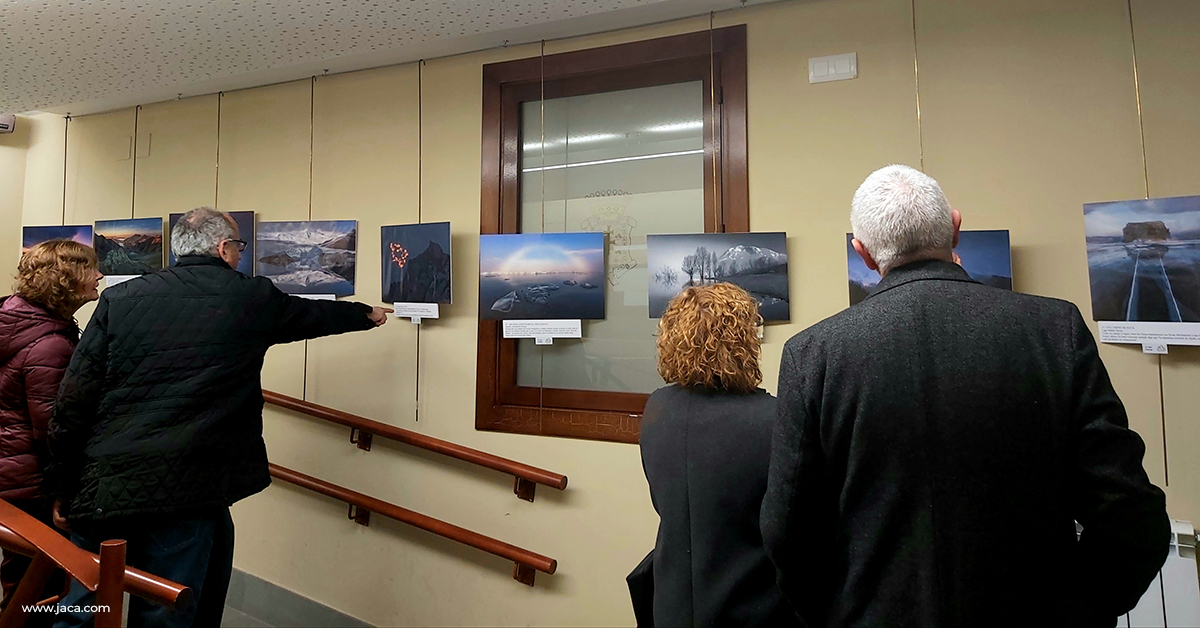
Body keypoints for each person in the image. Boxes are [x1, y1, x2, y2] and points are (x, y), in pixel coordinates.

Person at [760, 164, 1170, 627]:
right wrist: (1078, 607)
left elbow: (787, 534)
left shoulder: (812, 355)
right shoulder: (1055, 330)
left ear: (865, 254)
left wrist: (837, 615)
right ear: (954, 228)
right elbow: (1132, 515)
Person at [47, 207, 392, 628]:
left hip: (105, 482)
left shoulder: (120, 300)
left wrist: (62, 485)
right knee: (165, 608)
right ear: (224, 248)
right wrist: (365, 315)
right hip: (187, 487)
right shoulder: (248, 298)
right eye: (239, 246)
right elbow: (313, 315)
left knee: (83, 605)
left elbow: (74, 401)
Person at [637, 283, 796, 627]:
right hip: (753, 605)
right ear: (744, 342)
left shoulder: (657, 408)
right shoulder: (774, 419)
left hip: (673, 604)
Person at [0, 240, 102, 611]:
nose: (100, 276)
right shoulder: (49, 345)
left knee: (21, 580)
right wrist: (64, 491)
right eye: (90, 269)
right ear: (66, 280)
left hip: (10, 475)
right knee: (38, 591)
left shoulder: (13, 318)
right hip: (31, 484)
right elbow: (53, 430)